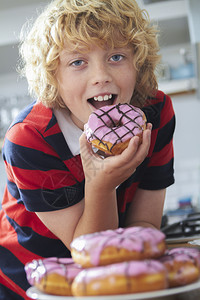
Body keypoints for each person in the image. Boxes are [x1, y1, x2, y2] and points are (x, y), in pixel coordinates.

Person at [0, 0, 175, 299]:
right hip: (33, 280)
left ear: (139, 63)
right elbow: (89, 251)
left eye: (116, 56)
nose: (100, 76)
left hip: (107, 281)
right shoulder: (30, 139)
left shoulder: (155, 113)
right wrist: (101, 185)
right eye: (78, 62)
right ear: (53, 77)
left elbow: (143, 225)